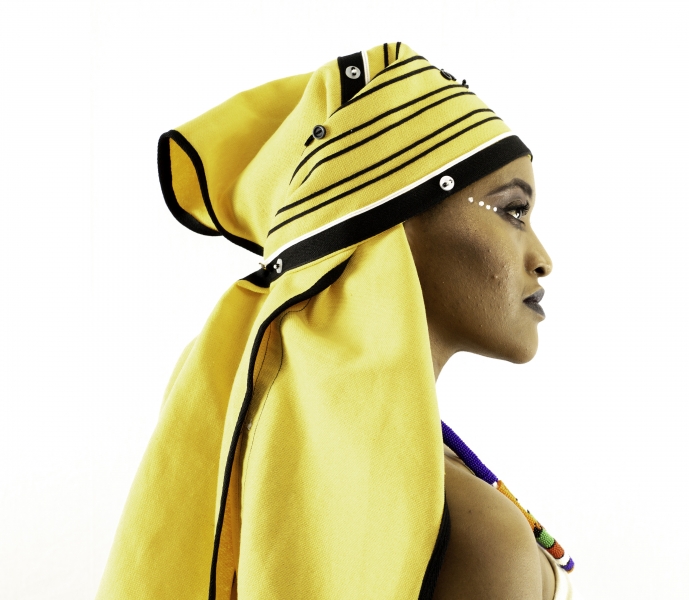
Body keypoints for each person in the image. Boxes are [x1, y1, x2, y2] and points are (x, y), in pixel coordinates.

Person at [96, 42, 576, 600]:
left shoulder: (280, 457)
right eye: (513, 211)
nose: (543, 258)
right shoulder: (478, 531)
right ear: (395, 225)